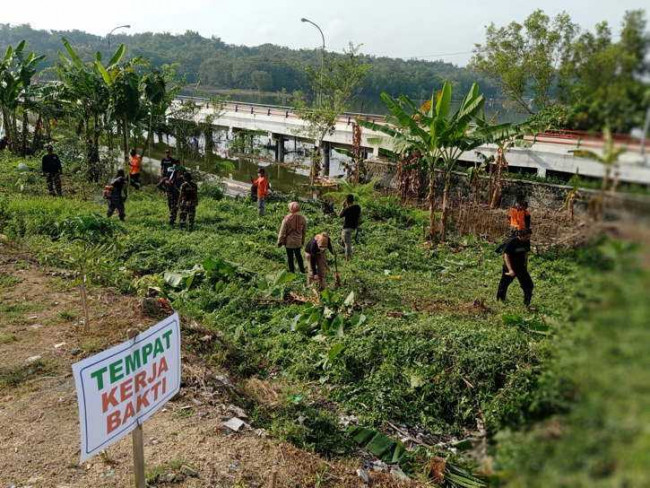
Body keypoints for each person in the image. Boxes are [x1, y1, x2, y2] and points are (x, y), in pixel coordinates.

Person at [496, 228, 534, 307]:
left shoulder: (526, 241)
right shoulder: (512, 242)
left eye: (529, 237)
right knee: (504, 284)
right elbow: (506, 255)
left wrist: (525, 266)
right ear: (521, 236)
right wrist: (510, 270)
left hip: (521, 267)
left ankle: (526, 304)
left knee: (529, 285)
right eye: (527, 237)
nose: (528, 239)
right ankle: (500, 300)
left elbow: (526, 254)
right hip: (510, 267)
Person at [277, 202, 307, 273]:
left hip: (289, 242)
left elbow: (282, 231)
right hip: (298, 241)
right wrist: (302, 241)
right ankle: (302, 270)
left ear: (290, 209)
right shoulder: (302, 219)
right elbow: (304, 232)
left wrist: (279, 241)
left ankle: (292, 272)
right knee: (299, 256)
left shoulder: (286, 219)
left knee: (290, 258)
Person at [338, 194, 361, 261]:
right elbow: (359, 216)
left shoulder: (346, 209)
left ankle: (348, 259)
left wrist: (343, 207)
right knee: (344, 242)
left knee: (347, 244)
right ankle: (348, 252)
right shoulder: (357, 207)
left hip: (346, 229)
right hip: (354, 228)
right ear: (353, 200)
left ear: (347, 201)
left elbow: (340, 215)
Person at [164, 161, 184, 226]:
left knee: (175, 208)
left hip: (177, 196)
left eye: (179, 172)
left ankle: (173, 221)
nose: (179, 173)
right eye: (178, 172)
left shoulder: (181, 179)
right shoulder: (171, 179)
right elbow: (166, 185)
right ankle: (172, 220)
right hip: (172, 195)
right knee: (171, 207)